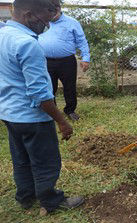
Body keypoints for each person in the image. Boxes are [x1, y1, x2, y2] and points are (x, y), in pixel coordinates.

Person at [0, 0, 84, 213]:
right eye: (43, 21)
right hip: (32, 117)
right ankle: (51, 202)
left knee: (21, 158)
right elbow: (40, 95)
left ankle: (25, 198)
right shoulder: (28, 43)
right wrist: (62, 121)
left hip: (9, 113)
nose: (46, 26)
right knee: (45, 161)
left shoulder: (3, 35)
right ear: (29, 16)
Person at [39, 0, 90, 121]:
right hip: (46, 61)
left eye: (53, 12)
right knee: (49, 87)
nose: (50, 15)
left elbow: (82, 41)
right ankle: (53, 111)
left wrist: (86, 58)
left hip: (66, 61)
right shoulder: (42, 22)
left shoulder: (72, 23)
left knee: (69, 87)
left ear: (59, 8)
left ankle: (70, 110)